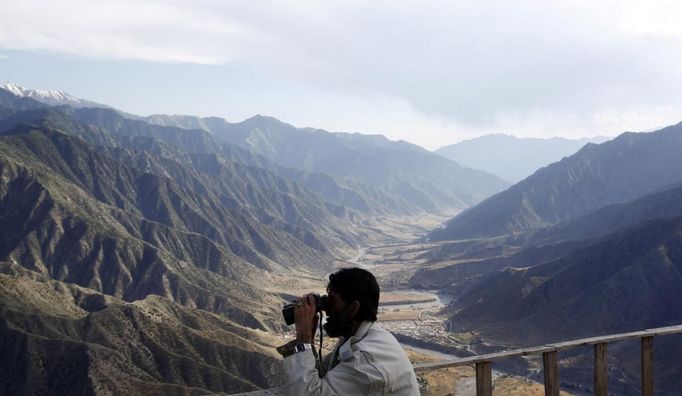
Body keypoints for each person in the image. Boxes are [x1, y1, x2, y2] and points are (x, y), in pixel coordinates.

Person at [279, 267, 420, 395]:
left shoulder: (366, 359)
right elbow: (322, 376)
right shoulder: (356, 338)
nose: (326, 309)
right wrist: (308, 338)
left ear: (353, 307)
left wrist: (303, 336)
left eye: (332, 302)